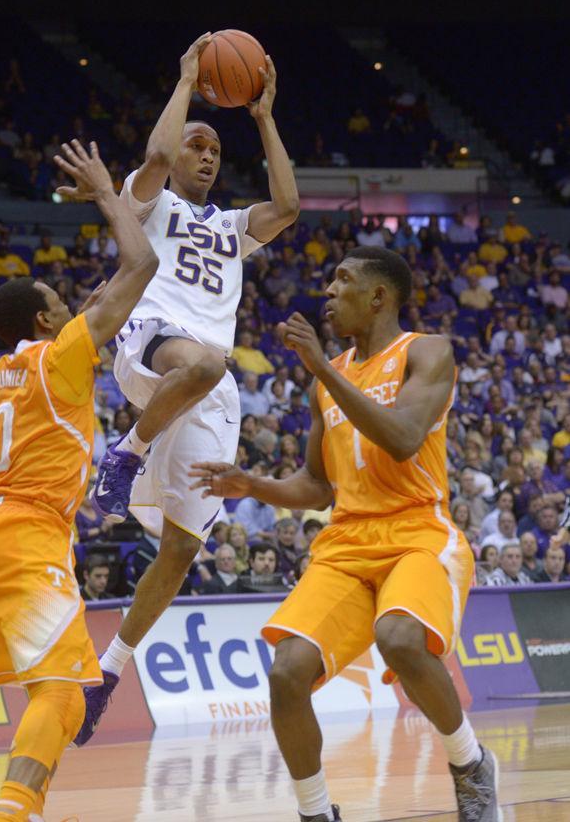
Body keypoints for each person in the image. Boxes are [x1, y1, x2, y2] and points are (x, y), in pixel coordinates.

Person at [191, 246, 499, 822]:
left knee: (402, 639)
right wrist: (251, 483)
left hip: (417, 533)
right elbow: (316, 483)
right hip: (346, 543)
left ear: (378, 296)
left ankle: (470, 763)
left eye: (342, 280)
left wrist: (324, 369)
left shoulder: (427, 351)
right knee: (286, 673)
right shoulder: (323, 383)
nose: (328, 291)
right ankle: (315, 813)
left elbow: (405, 437)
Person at [77, 33, 299, 743]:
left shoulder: (234, 227)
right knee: (205, 362)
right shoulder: (151, 202)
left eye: (214, 151)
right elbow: (156, 157)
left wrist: (262, 116)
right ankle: (125, 453)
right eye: (199, 146)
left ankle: (109, 671)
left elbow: (289, 205)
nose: (205, 155)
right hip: (153, 344)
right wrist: (183, 84)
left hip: (206, 388)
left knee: (179, 550)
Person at [0, 139, 158, 822]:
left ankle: (24, 809)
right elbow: (143, 264)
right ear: (46, 322)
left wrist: (87, 312)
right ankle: (9, 816)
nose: (74, 308)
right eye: (61, 303)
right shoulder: (58, 358)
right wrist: (108, 193)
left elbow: (83, 318)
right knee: (65, 695)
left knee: (55, 695)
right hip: (27, 536)